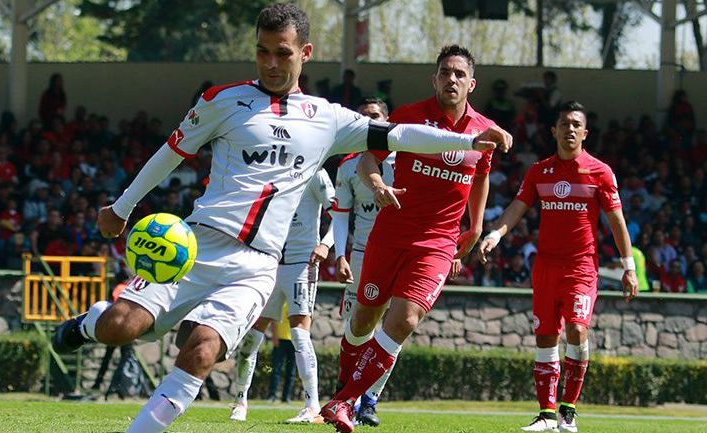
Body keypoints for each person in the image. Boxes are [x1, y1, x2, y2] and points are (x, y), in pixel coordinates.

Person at [51, 5, 511, 433]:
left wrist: (471, 143)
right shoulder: (221, 100)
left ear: (305, 54)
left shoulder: (327, 119)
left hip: (257, 267)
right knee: (120, 328)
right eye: (262, 52)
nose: (270, 63)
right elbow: (171, 153)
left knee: (202, 351)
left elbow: (400, 134)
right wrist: (122, 207)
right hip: (197, 244)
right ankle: (89, 323)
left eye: (282, 53)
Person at [321, 44, 500, 433]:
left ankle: (344, 401)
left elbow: (481, 176)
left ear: (472, 83)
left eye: (459, 74)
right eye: (445, 72)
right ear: (434, 78)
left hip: (437, 243)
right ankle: (344, 390)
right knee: (364, 318)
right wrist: (375, 181)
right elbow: (368, 158)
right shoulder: (408, 117)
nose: (451, 79)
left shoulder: (481, 129)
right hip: (390, 233)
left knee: (404, 320)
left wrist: (476, 225)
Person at [478, 101, 638, 433]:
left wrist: (629, 267)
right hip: (546, 268)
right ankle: (547, 415)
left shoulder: (600, 172)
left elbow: (617, 221)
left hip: (581, 267)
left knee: (577, 330)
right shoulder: (539, 171)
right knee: (546, 336)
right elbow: (517, 207)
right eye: (564, 123)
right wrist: (495, 234)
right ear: (554, 130)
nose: (570, 129)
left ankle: (569, 410)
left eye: (576, 124)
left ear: (585, 132)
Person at [229, 168, 335, 424]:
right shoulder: (272, 169)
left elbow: (340, 213)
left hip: (303, 262)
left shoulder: (316, 172)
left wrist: (326, 244)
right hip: (270, 261)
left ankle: (312, 407)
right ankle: (240, 401)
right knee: (251, 337)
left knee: (299, 332)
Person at [330, 96, 395, 427]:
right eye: (363, 117)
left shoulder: (406, 159)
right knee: (358, 328)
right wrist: (340, 253)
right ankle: (347, 392)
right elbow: (341, 215)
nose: (369, 122)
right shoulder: (347, 166)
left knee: (393, 329)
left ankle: (369, 400)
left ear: (386, 120)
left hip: (401, 255)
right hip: (362, 258)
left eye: (375, 116)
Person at [266, 303, 296, 404]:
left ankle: (286, 397)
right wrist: (274, 337)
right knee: (276, 370)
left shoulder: (296, 303)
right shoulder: (281, 303)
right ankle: (272, 396)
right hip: (280, 340)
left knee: (291, 372)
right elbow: (273, 321)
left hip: (294, 341)